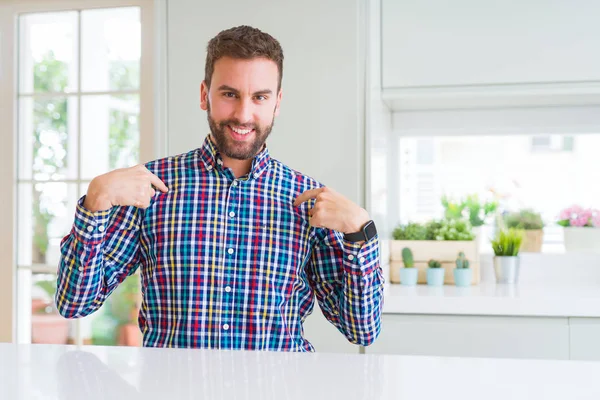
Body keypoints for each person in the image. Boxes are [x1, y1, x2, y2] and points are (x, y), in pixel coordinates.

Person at [56, 25, 384, 352]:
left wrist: (360, 231)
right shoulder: (152, 187)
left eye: (260, 97)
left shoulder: (310, 202)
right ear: (204, 95)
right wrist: (95, 202)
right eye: (230, 94)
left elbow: (361, 330)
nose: (243, 114)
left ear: (277, 102)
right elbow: (74, 304)